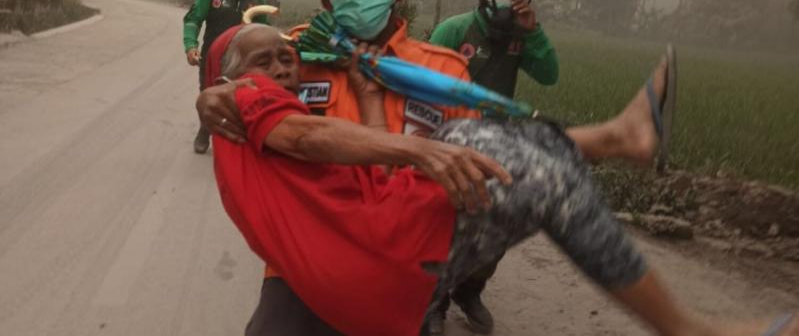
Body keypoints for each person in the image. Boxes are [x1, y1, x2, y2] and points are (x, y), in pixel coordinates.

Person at [196, 0, 677, 336]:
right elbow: (247, 80)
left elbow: (465, 180)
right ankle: (613, 138)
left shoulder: (441, 71)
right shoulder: (296, 53)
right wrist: (213, 94)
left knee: (499, 155)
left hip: (399, 252)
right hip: (298, 269)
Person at [206, 22, 797, 336]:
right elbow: (308, 136)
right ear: (233, 78)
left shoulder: (276, 122)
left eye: (286, 55)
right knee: (542, 177)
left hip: (379, 241)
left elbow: (368, 172)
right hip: (379, 251)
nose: (283, 64)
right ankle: (688, 330)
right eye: (265, 59)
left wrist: (365, 97)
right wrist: (420, 151)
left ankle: (621, 138)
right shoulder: (248, 102)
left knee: (521, 145)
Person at [426, 0, 553, 333]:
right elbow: (424, 83)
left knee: (499, 219)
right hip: (451, 137)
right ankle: (434, 300)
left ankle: (470, 288)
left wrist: (534, 33)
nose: (505, 3)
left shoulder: (521, 38)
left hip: (496, 143)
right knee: (445, 221)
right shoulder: (455, 30)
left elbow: (549, 74)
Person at [182, 0, 269, 154]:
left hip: (243, 62)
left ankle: (235, 139)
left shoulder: (257, 0)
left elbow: (265, 33)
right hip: (212, 58)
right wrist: (190, 46)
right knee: (209, 97)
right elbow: (193, 20)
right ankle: (205, 130)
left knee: (241, 101)